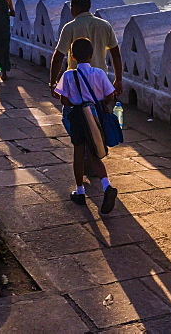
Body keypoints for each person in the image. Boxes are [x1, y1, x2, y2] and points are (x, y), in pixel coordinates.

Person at [53, 37, 119, 215]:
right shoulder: (98, 73)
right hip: (94, 117)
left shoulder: (68, 75)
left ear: (72, 56)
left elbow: (64, 99)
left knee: (79, 152)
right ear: (92, 55)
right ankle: (106, 186)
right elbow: (111, 95)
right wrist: (100, 103)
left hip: (77, 117)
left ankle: (80, 191)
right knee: (94, 153)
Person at [49, 0, 124, 97]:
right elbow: (116, 54)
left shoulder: (70, 28)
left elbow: (58, 57)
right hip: (99, 80)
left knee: (73, 111)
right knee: (99, 110)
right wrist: (119, 80)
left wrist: (53, 83)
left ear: (74, 8)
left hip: (76, 81)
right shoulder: (105, 25)